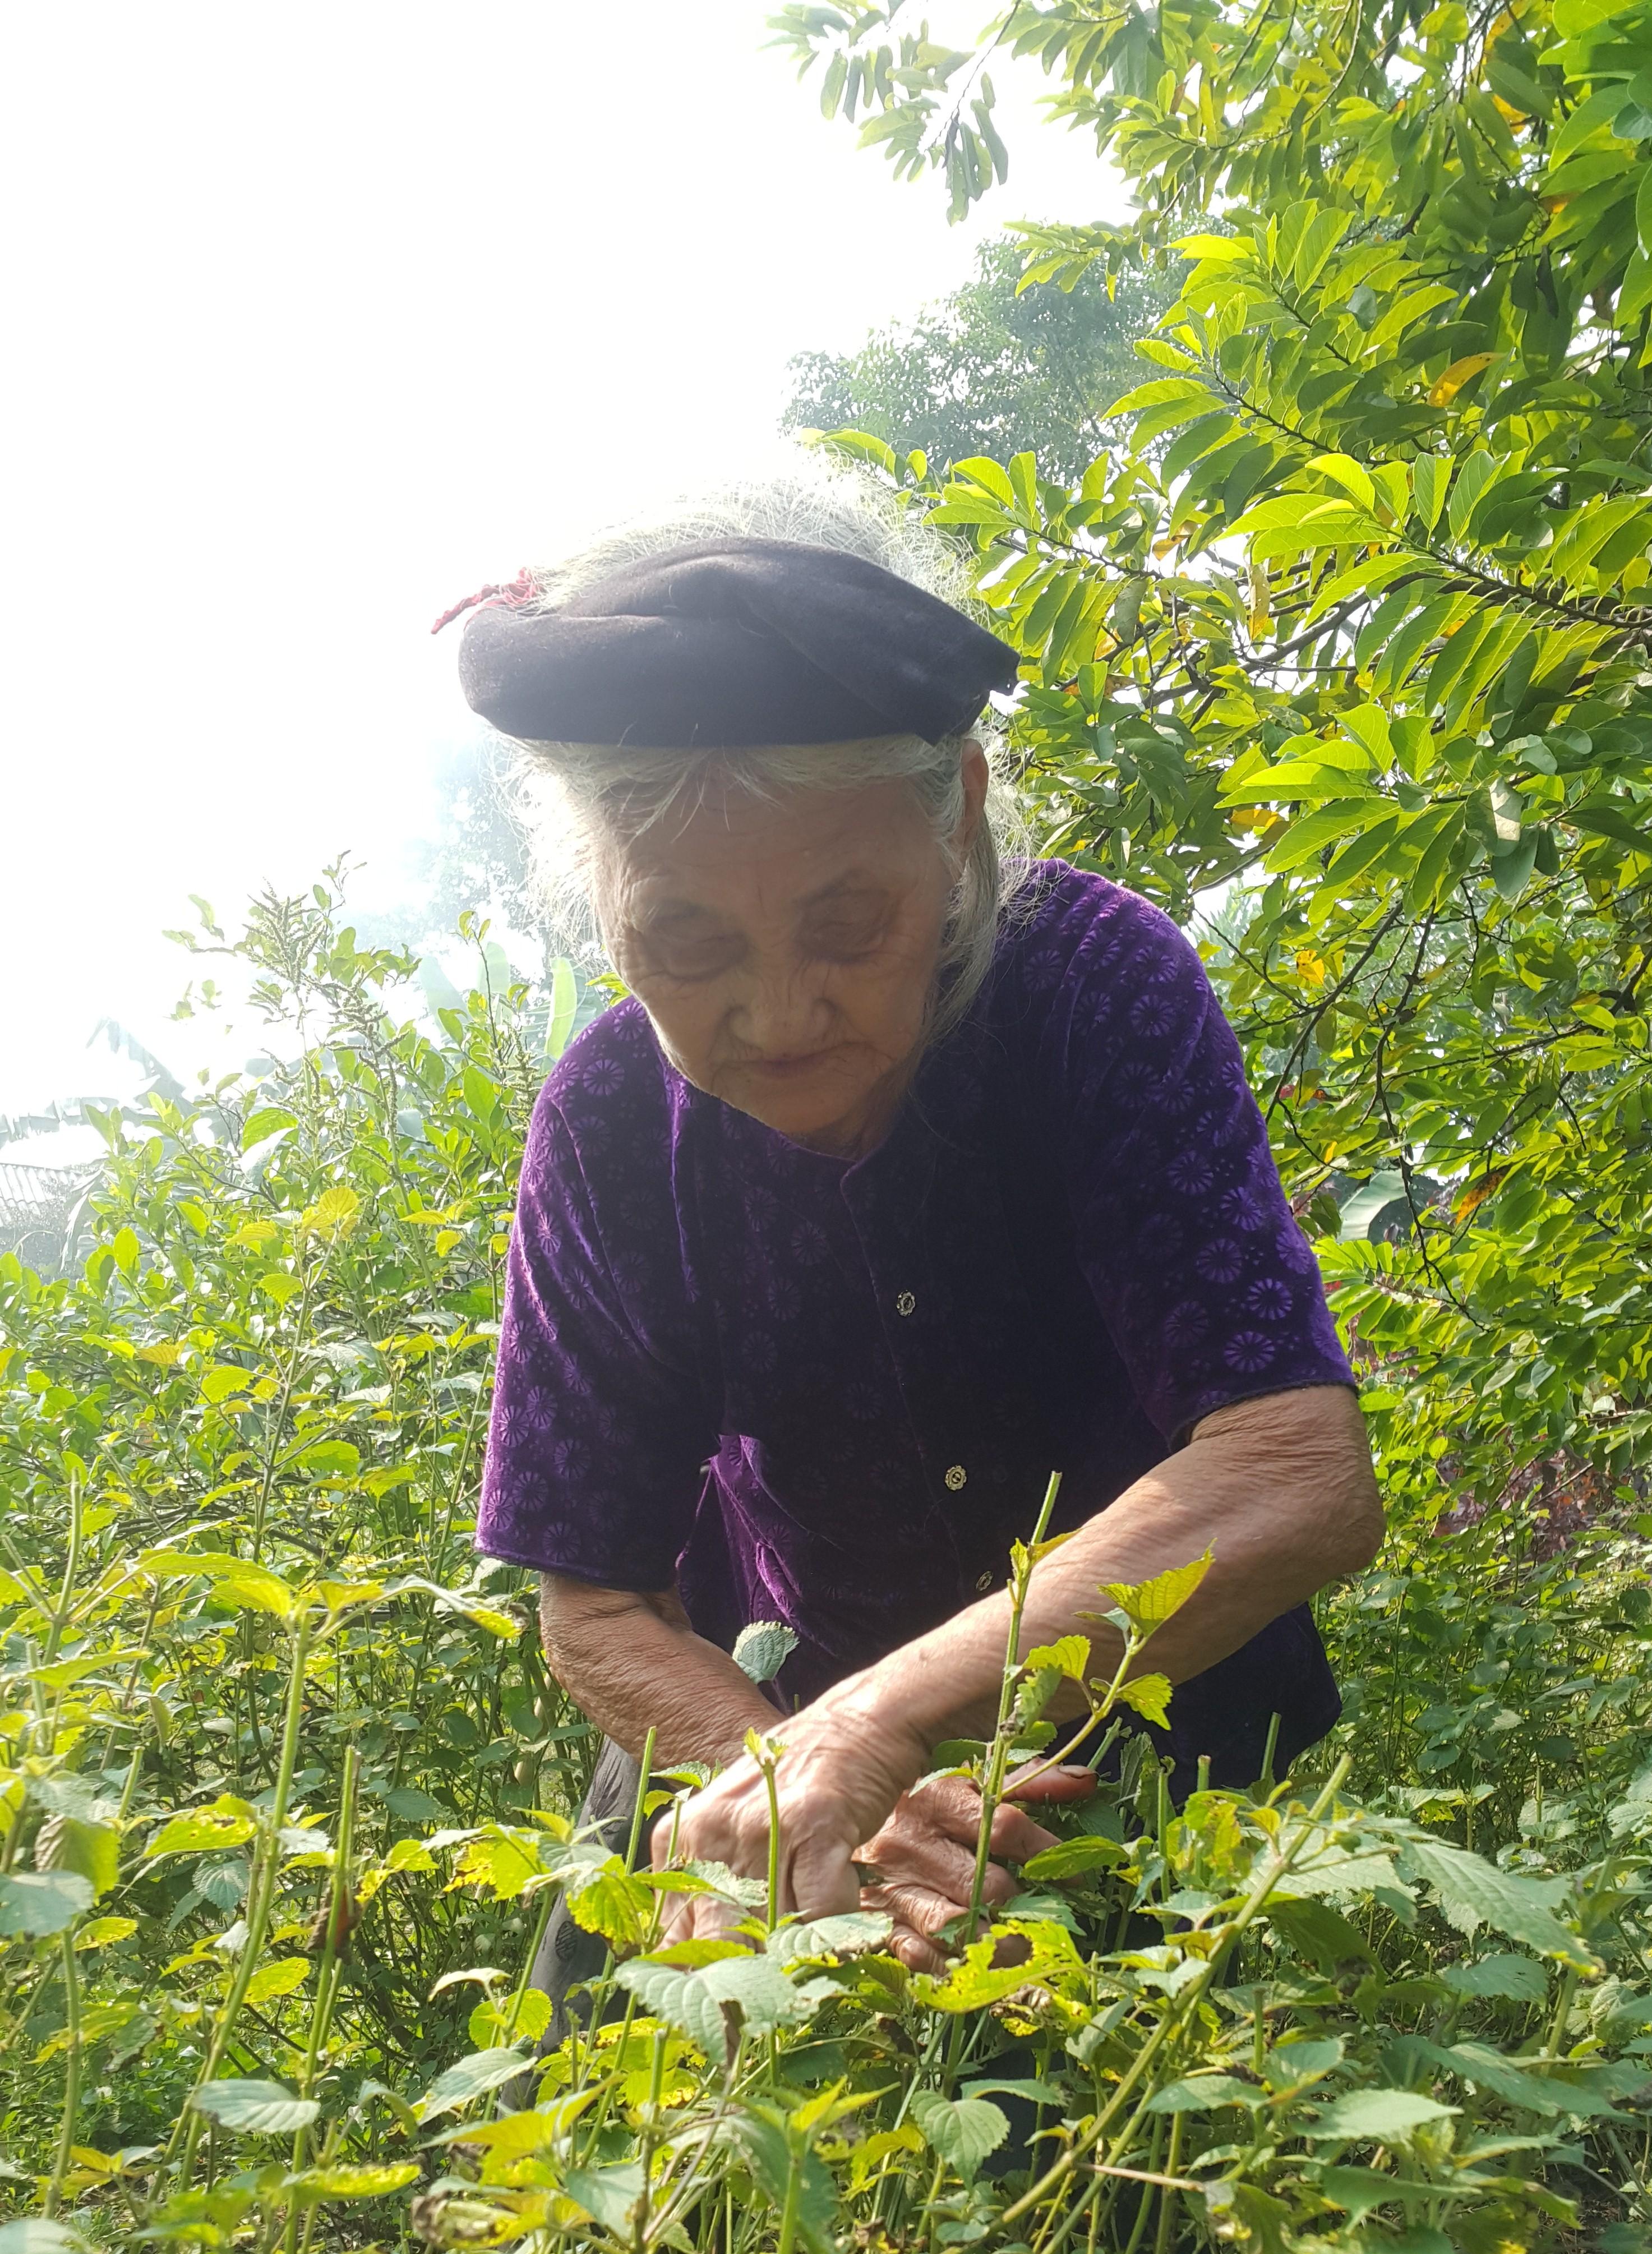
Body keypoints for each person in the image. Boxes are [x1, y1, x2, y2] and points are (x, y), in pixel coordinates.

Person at [461, 476, 1383, 1967]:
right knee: (632, 2091)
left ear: (954, 815)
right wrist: (799, 1780)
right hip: (745, 1742)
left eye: (846, 925)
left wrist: (876, 1734)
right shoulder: (610, 1119)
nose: (776, 1013)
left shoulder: (1087, 983)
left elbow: (1291, 1472)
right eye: (687, 943)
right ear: (603, 903)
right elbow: (598, 1600)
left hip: (1129, 1729)